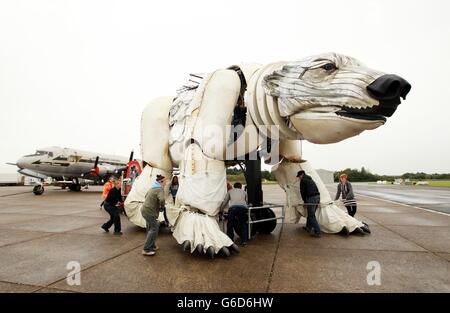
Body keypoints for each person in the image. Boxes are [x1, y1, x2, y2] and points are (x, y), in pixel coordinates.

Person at [141, 175, 166, 256]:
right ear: (161, 182)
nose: (165, 183)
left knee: (150, 228)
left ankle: (152, 245)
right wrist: (161, 207)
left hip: (145, 210)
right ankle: (146, 249)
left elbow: (145, 196)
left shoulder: (152, 188)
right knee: (154, 228)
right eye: (165, 181)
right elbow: (162, 199)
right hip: (150, 212)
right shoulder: (159, 189)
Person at [297, 170, 321, 237]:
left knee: (311, 215)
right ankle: (308, 227)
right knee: (310, 214)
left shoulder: (303, 180)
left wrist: (305, 202)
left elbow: (302, 192)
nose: (299, 178)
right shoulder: (310, 179)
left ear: (302, 174)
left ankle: (317, 231)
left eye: (299, 176)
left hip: (311, 198)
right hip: (317, 197)